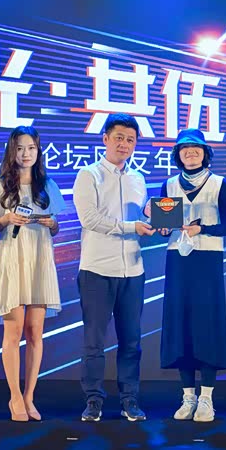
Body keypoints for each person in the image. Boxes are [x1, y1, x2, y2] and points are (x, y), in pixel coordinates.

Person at [72, 113, 155, 422]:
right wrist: (132, 226)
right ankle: (93, 400)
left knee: (131, 341)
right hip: (97, 269)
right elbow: (89, 219)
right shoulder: (88, 174)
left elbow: (141, 220)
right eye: (119, 137)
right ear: (105, 138)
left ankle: (130, 399)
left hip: (133, 269)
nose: (124, 144)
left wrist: (153, 221)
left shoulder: (138, 178)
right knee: (94, 341)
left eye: (130, 140)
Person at [0, 126, 65, 422]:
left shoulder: (47, 186)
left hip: (39, 259)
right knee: (13, 331)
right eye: (19, 148)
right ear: (11, 151)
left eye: (31, 148)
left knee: (35, 332)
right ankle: (14, 396)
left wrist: (51, 224)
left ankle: (29, 396)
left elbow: (56, 227)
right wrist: (6, 218)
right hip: (11, 259)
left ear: (38, 151)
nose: (26, 153)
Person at [154, 129, 226, 422]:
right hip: (178, 259)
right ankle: (188, 396)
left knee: (207, 324)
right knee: (180, 324)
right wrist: (163, 227)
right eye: (184, 148)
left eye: (196, 148)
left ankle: (206, 398)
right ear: (178, 154)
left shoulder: (218, 184)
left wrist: (203, 228)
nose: (190, 152)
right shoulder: (169, 184)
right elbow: (163, 227)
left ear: (205, 153)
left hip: (208, 259)